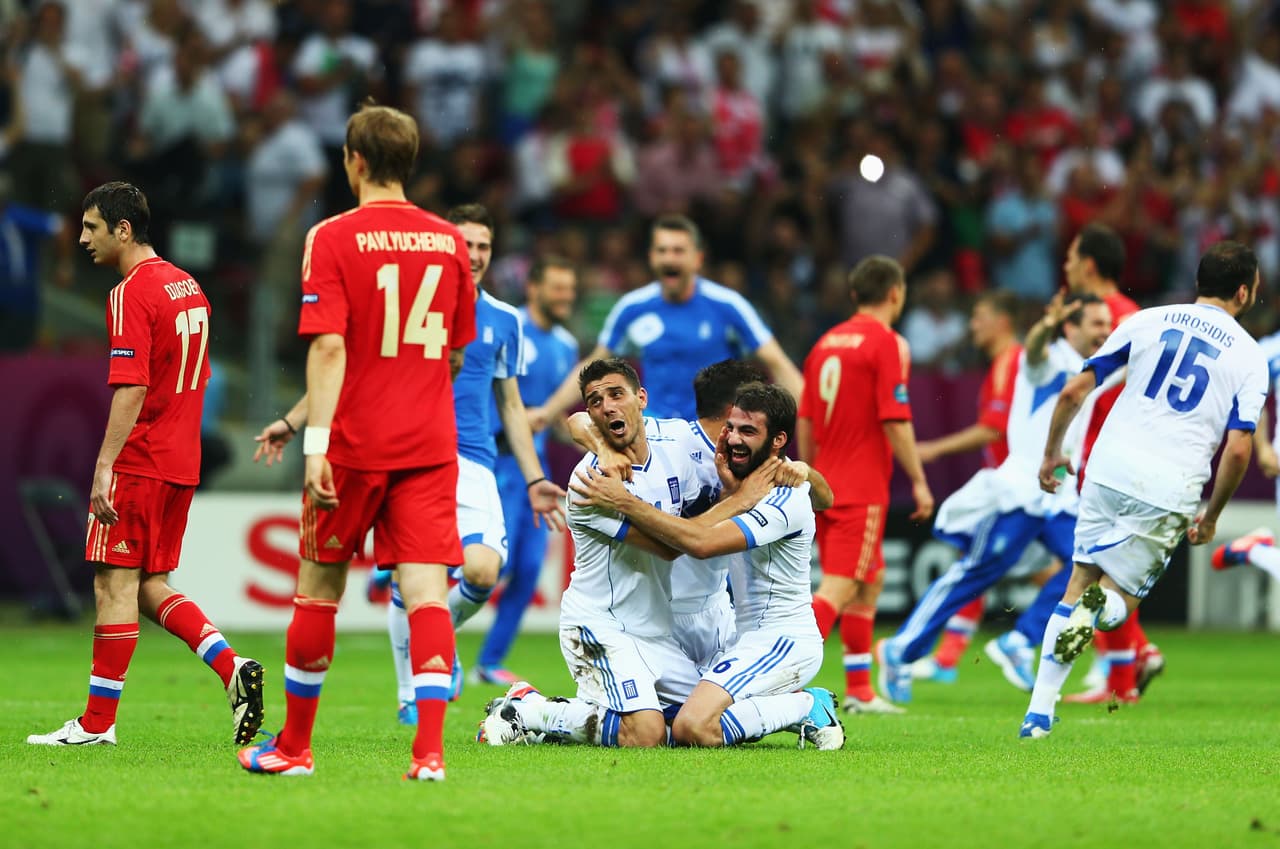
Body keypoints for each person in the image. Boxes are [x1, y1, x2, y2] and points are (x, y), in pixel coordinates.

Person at [237, 104, 476, 781]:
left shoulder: (333, 237)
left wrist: (315, 441)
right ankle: (429, 754)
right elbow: (455, 352)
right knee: (428, 594)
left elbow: (334, 345)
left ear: (357, 161)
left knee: (317, 589)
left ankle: (294, 748)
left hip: (353, 444)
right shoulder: (448, 241)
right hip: (429, 444)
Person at [27, 181, 264, 747]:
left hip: (141, 458)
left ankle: (96, 725)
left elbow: (131, 387)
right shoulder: (191, 288)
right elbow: (200, 379)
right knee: (149, 583)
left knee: (112, 584)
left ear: (122, 230)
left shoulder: (130, 292)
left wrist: (105, 464)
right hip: (182, 461)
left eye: (90, 227)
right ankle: (232, 668)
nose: (81, 238)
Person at [1023, 241, 1267, 739]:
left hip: (1107, 468)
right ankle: (1099, 611)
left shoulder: (1147, 320)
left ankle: (1038, 714)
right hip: (1169, 484)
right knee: (1117, 608)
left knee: (1077, 580)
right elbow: (1239, 449)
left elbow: (1074, 389)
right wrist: (1214, 515)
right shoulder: (1249, 354)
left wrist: (1051, 453)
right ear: (1244, 291)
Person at [559, 382, 844, 750]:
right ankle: (543, 711)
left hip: (780, 639)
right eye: (732, 427)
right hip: (737, 634)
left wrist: (625, 502)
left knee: (691, 728)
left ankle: (806, 704)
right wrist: (600, 446)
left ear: (777, 441)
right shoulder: (692, 444)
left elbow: (700, 543)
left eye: (749, 431)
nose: (735, 439)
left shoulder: (779, 494)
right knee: (665, 724)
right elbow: (582, 418)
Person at [376, 204, 566, 718]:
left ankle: (440, 638)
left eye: (483, 245)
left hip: (476, 462)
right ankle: (409, 693)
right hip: (415, 458)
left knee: (484, 571)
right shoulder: (412, 308)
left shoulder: (504, 320)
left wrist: (535, 479)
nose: (475, 254)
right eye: (466, 243)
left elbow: (510, 405)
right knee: (411, 579)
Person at [877, 293, 1113, 705]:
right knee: (976, 574)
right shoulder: (1040, 361)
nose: (1105, 331)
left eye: (1108, 324)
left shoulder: (1093, 370)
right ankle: (901, 649)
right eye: (1096, 323)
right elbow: (1036, 348)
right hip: (1021, 492)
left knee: (1092, 564)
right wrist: (1042, 327)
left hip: (1059, 497)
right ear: (1069, 328)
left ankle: (1019, 641)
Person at [477, 358, 707, 748]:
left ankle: (581, 711)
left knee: (701, 722)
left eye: (617, 394)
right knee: (647, 734)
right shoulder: (588, 483)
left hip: (654, 629)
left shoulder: (675, 437)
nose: (607, 406)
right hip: (599, 626)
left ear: (642, 398)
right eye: (595, 401)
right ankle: (526, 708)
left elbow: (714, 441)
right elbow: (669, 549)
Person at [799, 255, 933, 715]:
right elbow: (895, 418)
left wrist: (810, 474)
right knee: (838, 586)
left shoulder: (824, 344)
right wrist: (919, 480)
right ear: (896, 293)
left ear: (854, 295)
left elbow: (807, 418)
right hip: (861, 486)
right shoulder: (888, 343)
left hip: (827, 481)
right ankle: (775, 676)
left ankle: (859, 691)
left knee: (870, 582)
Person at [528, 214, 803, 424]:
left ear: (697, 258)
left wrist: (815, 419)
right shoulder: (632, 307)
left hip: (714, 437)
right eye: (662, 250)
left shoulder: (728, 305)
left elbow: (778, 363)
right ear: (651, 257)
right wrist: (547, 412)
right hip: (657, 439)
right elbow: (592, 365)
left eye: (678, 251)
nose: (669, 258)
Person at [1062, 222, 1163, 702]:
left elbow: (1083, 392)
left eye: (1070, 258)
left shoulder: (1109, 319)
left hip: (1107, 458)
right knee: (1110, 568)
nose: (1064, 267)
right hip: (1132, 457)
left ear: (1088, 265)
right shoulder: (1139, 316)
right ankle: (1133, 657)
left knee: (1100, 570)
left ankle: (1122, 675)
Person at [469, 256, 580, 685]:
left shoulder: (567, 345)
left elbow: (550, 416)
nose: (565, 297)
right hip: (497, 458)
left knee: (531, 568)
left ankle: (489, 663)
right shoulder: (510, 327)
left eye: (569, 289)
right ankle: (397, 573)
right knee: (497, 561)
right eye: (557, 288)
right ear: (533, 288)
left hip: (535, 467)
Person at [912, 291, 1022, 683]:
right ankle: (947, 659)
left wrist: (934, 449)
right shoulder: (1003, 364)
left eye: (979, 315)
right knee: (975, 559)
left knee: (1058, 572)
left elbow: (994, 428)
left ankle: (1125, 654)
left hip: (1016, 486)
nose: (972, 325)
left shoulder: (1013, 363)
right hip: (1010, 484)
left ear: (1002, 321)